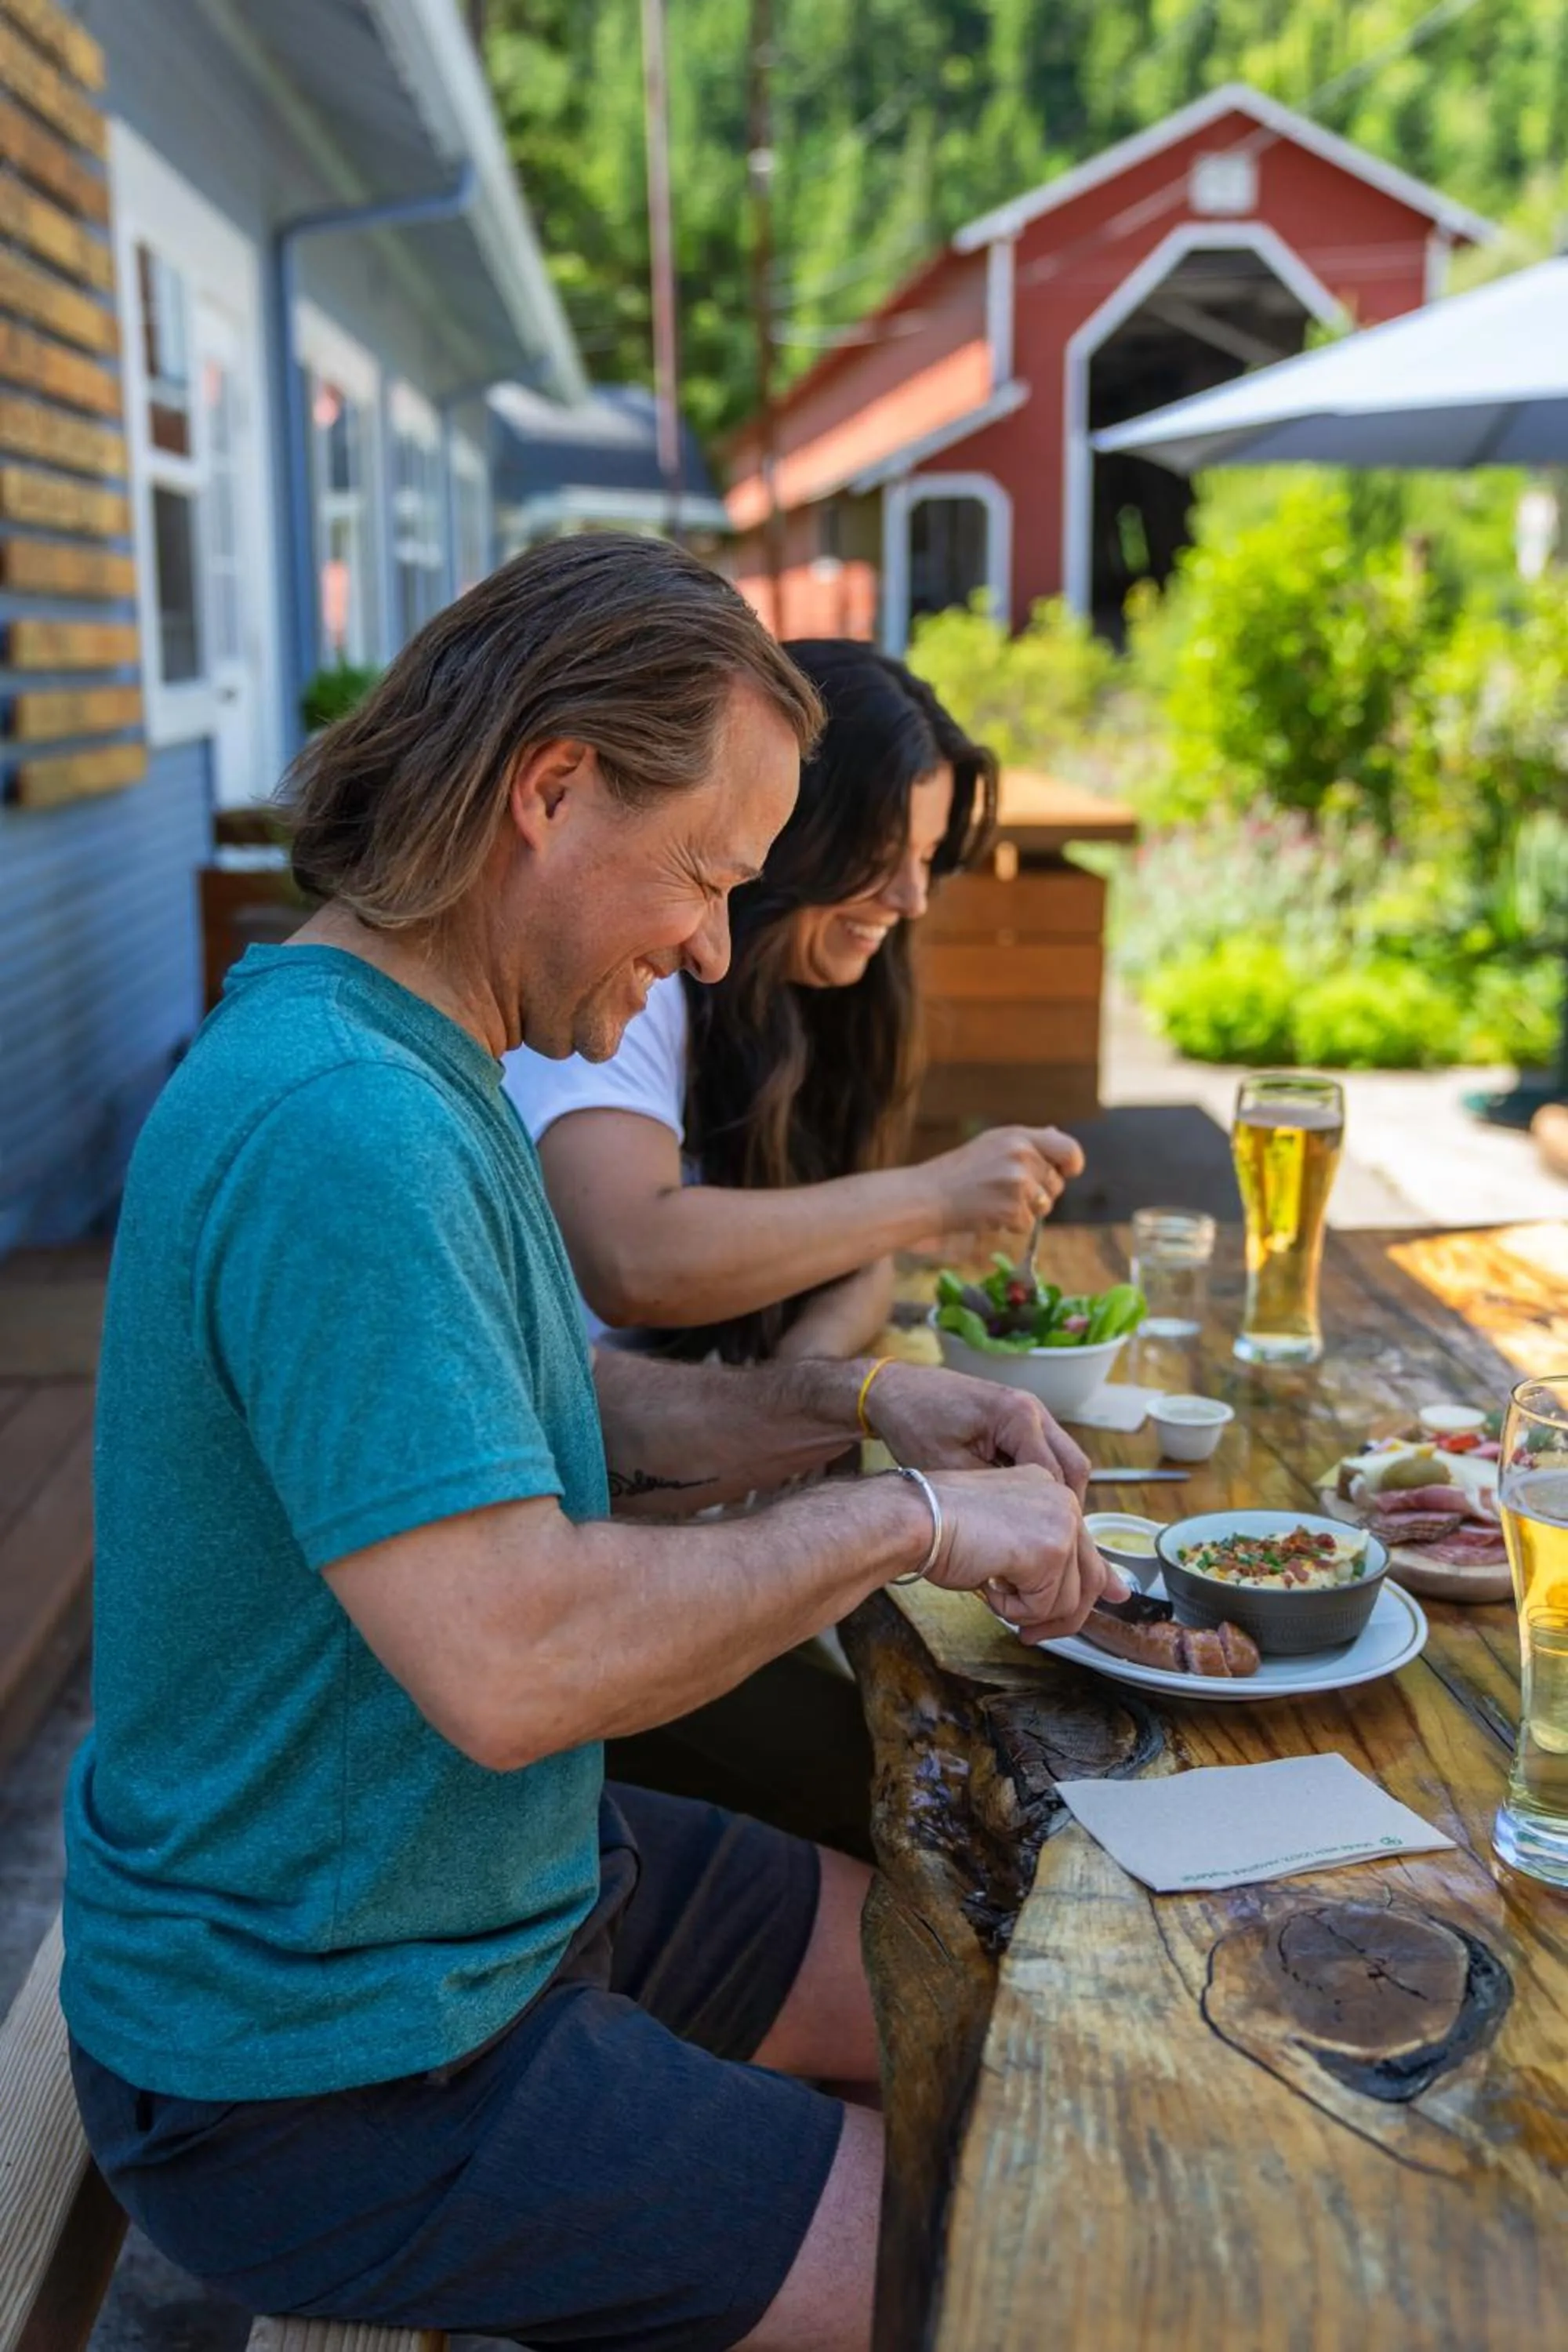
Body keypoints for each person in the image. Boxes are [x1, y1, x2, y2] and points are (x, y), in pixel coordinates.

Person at [61, 535, 1123, 2352]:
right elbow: (514, 1654)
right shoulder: (347, 1129)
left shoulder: (403, 1055)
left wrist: (859, 1398)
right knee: (1017, 2255)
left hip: (483, 1889)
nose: (718, 942)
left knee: (1005, 1986)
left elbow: (568, 1410)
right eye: (707, 875)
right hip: (327, 2062)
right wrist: (910, 1517)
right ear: (549, 789)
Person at [505, 638, 1085, 1367]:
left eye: (927, 857)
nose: (910, 897)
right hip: (593, 1442)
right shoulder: (638, 977)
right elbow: (632, 1262)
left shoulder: (828, 993)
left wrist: (804, 1380)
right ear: (788, 829)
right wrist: (935, 1196)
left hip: (706, 1440)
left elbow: (855, 1254)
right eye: (880, 851)